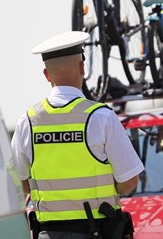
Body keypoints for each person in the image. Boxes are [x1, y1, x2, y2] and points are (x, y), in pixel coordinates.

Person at [11, 31, 144, 239]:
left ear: (46, 75)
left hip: (49, 233)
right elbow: (129, 182)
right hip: (98, 231)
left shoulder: (27, 122)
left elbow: (21, 182)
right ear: (83, 68)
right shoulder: (102, 117)